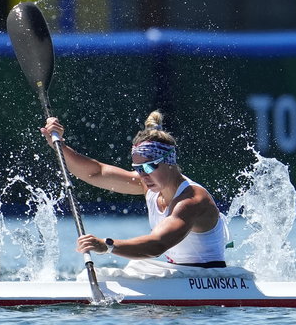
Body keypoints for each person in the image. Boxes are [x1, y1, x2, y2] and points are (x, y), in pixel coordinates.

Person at [41, 111, 229, 267]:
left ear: (169, 163)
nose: (143, 175)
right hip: (179, 275)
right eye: (138, 169)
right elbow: (96, 173)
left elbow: (157, 245)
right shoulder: (148, 184)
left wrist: (106, 245)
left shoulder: (193, 201)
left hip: (209, 277)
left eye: (148, 167)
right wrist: (59, 145)